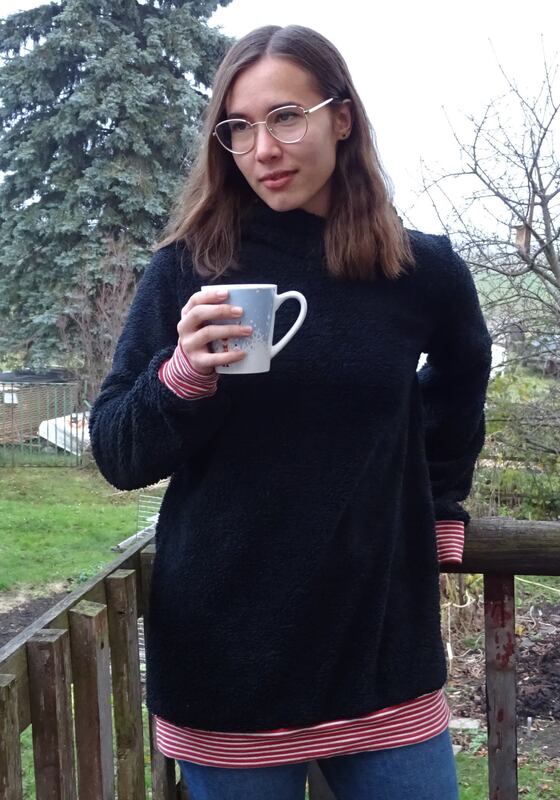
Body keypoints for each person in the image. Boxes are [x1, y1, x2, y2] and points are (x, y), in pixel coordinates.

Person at [90, 24, 492, 800]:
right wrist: (183, 373)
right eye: (238, 128)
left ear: (341, 117)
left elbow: (461, 374)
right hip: (226, 663)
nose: (263, 149)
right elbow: (117, 450)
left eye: (285, 117)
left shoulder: (419, 271)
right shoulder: (190, 267)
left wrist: (439, 506)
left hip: (383, 652)